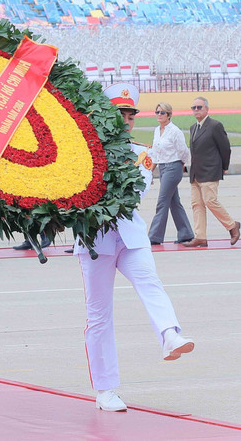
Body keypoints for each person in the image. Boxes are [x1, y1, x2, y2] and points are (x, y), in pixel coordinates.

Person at [76, 83, 194, 413]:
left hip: (130, 235)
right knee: (99, 316)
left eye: (130, 115)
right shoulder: (83, 151)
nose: (126, 120)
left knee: (150, 282)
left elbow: (133, 193)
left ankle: (170, 334)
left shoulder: (142, 154)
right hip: (95, 240)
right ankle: (105, 389)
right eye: (120, 114)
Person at [182, 96, 239, 247]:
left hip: (210, 171)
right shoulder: (193, 128)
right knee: (197, 205)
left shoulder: (215, 126)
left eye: (199, 107)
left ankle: (232, 226)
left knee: (210, 201)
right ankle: (200, 237)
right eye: (194, 107)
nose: (196, 110)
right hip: (195, 173)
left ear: (207, 109)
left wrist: (224, 167)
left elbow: (225, 148)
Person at [147, 102, 194, 245]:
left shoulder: (174, 131)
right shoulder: (157, 130)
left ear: (169, 115)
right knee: (174, 202)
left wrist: (181, 165)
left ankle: (154, 237)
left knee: (162, 201)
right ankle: (186, 234)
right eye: (157, 112)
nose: (159, 115)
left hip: (173, 168)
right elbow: (155, 153)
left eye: (162, 113)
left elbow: (184, 152)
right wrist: (150, 172)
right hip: (162, 168)